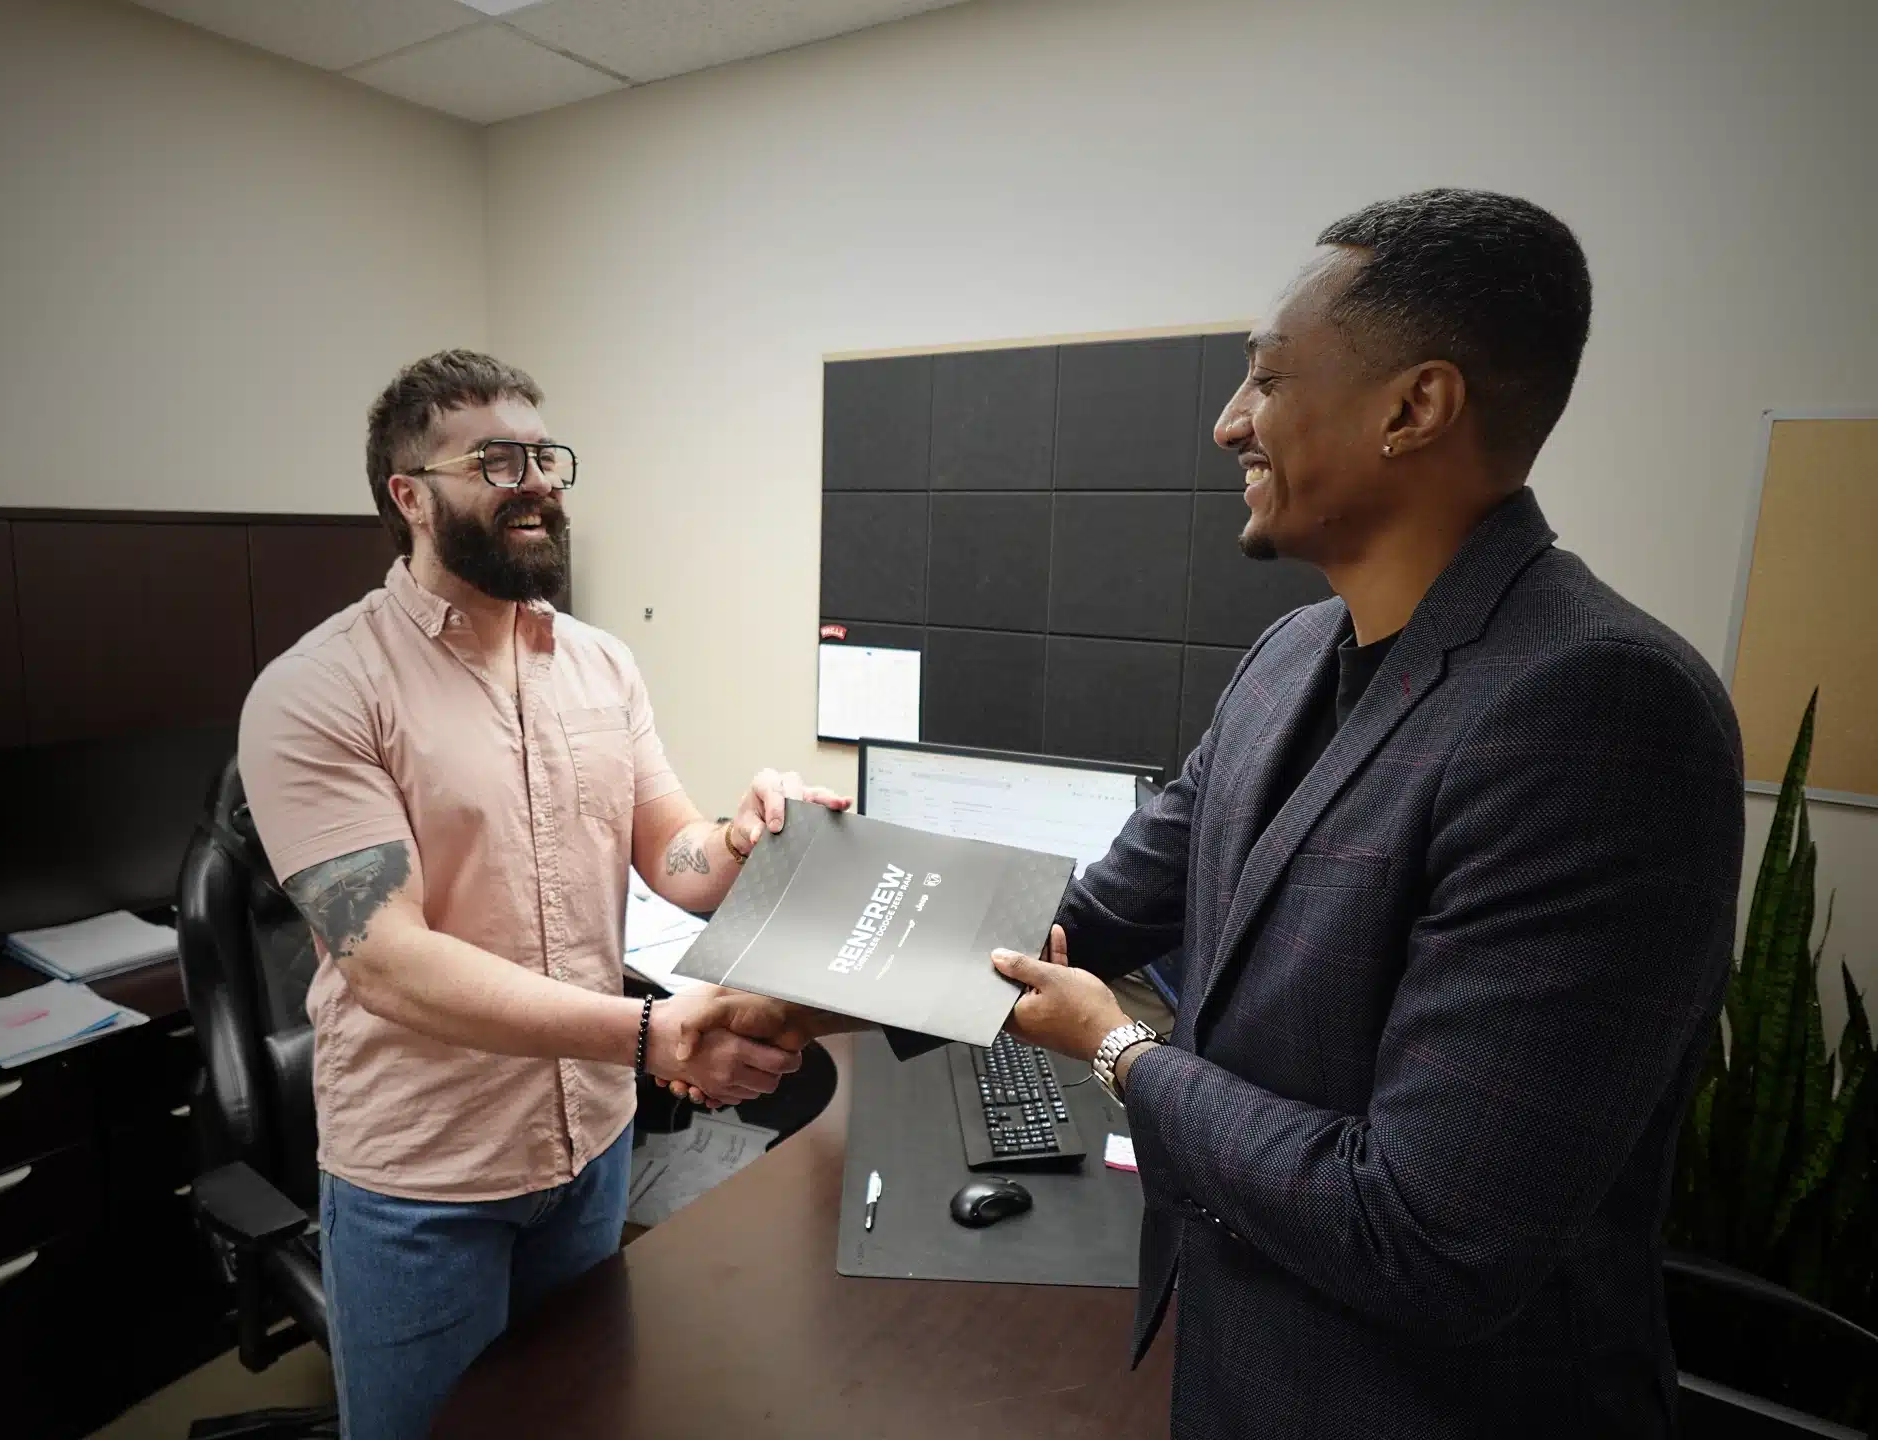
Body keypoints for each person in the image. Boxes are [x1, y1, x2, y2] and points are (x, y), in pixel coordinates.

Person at [993, 190, 1745, 1438]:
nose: (1231, 421)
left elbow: (1432, 1231)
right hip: (1243, 1368)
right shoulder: (1291, 656)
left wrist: (1123, 1055)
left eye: (1269, 382)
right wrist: (798, 971)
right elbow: (1094, 914)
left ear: (1415, 406)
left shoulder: (1601, 707)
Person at [237, 350, 842, 1440]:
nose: (539, 481)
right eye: (497, 459)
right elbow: (387, 960)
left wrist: (757, 835)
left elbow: (678, 860)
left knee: (570, 1419)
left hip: (589, 1156)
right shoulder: (320, 690)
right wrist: (651, 1036)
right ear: (409, 496)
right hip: (427, 1184)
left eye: (546, 456)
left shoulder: (600, 667)